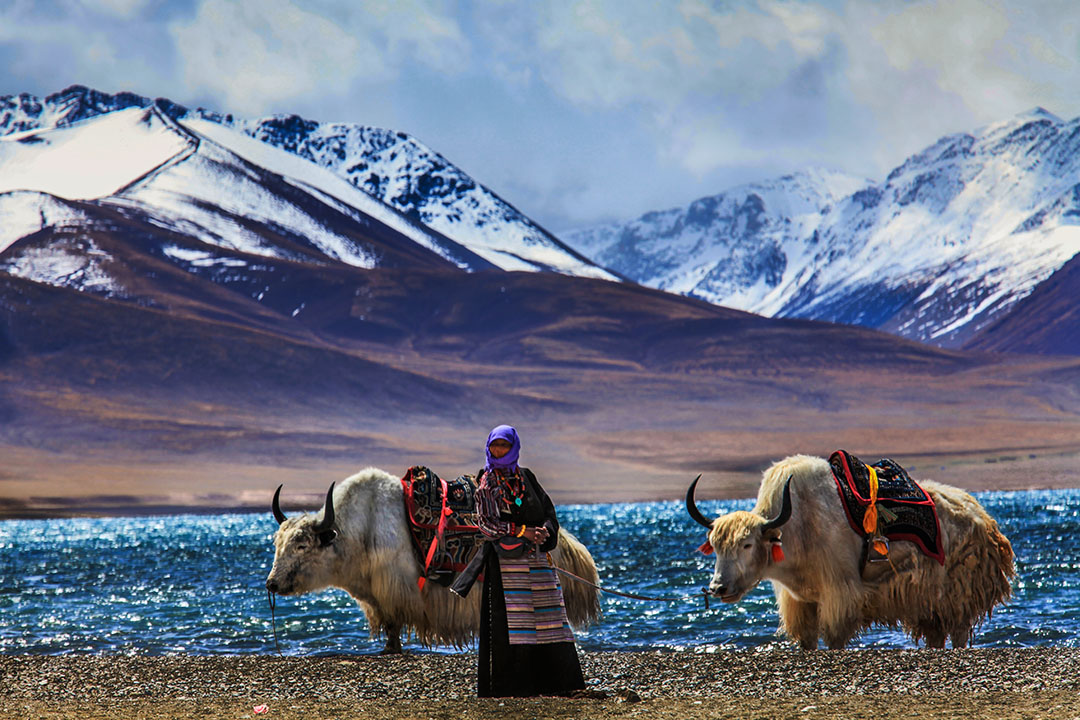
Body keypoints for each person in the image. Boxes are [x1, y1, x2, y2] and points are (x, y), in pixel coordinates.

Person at [469, 424, 586, 697]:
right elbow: (486, 525)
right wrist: (522, 531)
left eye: (504, 446)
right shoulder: (486, 483)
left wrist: (545, 530)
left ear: (514, 448)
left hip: (538, 563)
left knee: (550, 621)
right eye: (495, 446)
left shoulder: (526, 477)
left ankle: (556, 683)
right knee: (514, 627)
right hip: (506, 567)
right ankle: (514, 686)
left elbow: (548, 511)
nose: (498, 451)